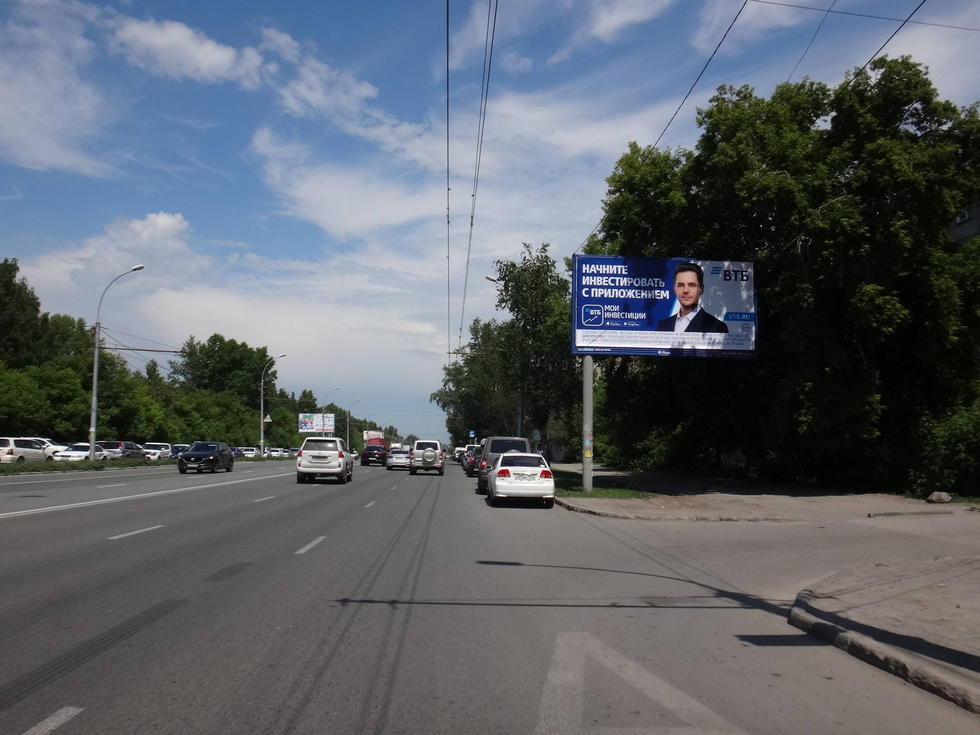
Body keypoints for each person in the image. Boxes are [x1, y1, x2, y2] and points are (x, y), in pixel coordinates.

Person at [656, 262, 728, 333]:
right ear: (675, 289)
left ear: (701, 289)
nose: (686, 290)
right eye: (681, 285)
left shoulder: (717, 327)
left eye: (692, 285)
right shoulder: (663, 325)